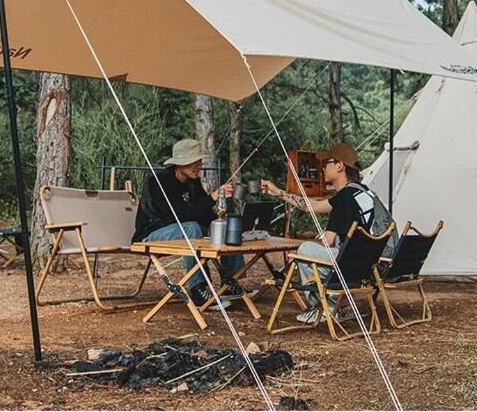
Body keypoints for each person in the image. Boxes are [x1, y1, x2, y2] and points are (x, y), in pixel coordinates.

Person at [261, 142, 397, 324]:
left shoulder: (344, 199)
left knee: (305, 250)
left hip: (356, 266)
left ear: (339, 166)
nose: (322, 168)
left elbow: (328, 241)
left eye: (326, 163)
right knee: (313, 252)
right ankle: (339, 307)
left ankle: (325, 308)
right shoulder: (362, 192)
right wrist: (278, 193)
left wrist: (301, 251)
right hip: (374, 265)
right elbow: (314, 206)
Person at [132, 138, 245, 309]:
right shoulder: (160, 181)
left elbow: (203, 214)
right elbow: (180, 215)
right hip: (151, 234)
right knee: (191, 227)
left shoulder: (193, 182)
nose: (198, 165)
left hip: (184, 230)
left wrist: (218, 222)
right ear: (179, 164)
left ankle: (230, 282)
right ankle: (197, 289)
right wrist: (212, 198)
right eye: (192, 162)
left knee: (226, 225)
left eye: (199, 161)